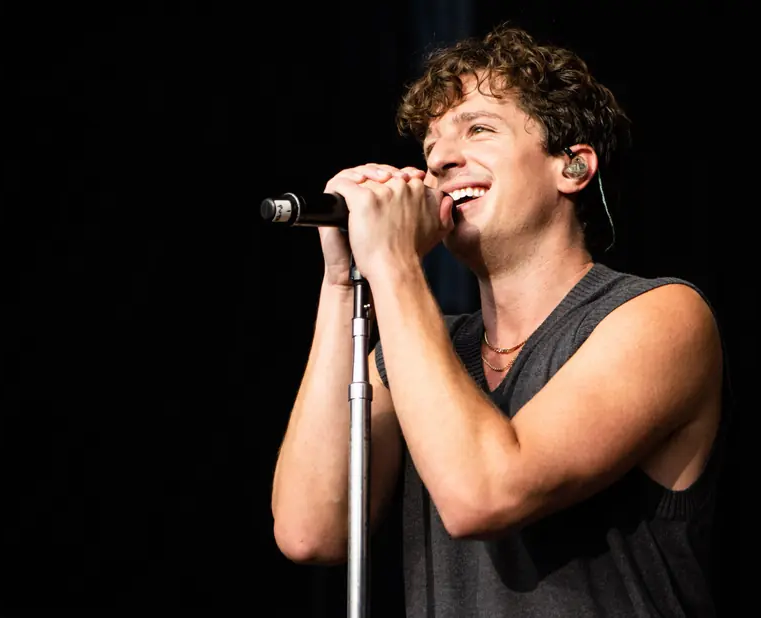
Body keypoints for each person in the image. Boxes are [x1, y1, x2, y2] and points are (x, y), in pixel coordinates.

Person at [271, 24, 728, 617]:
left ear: (572, 167)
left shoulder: (658, 317)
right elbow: (312, 530)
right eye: (432, 148)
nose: (441, 160)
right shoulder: (424, 351)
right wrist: (344, 282)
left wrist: (396, 266)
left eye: (479, 129)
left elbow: (481, 495)